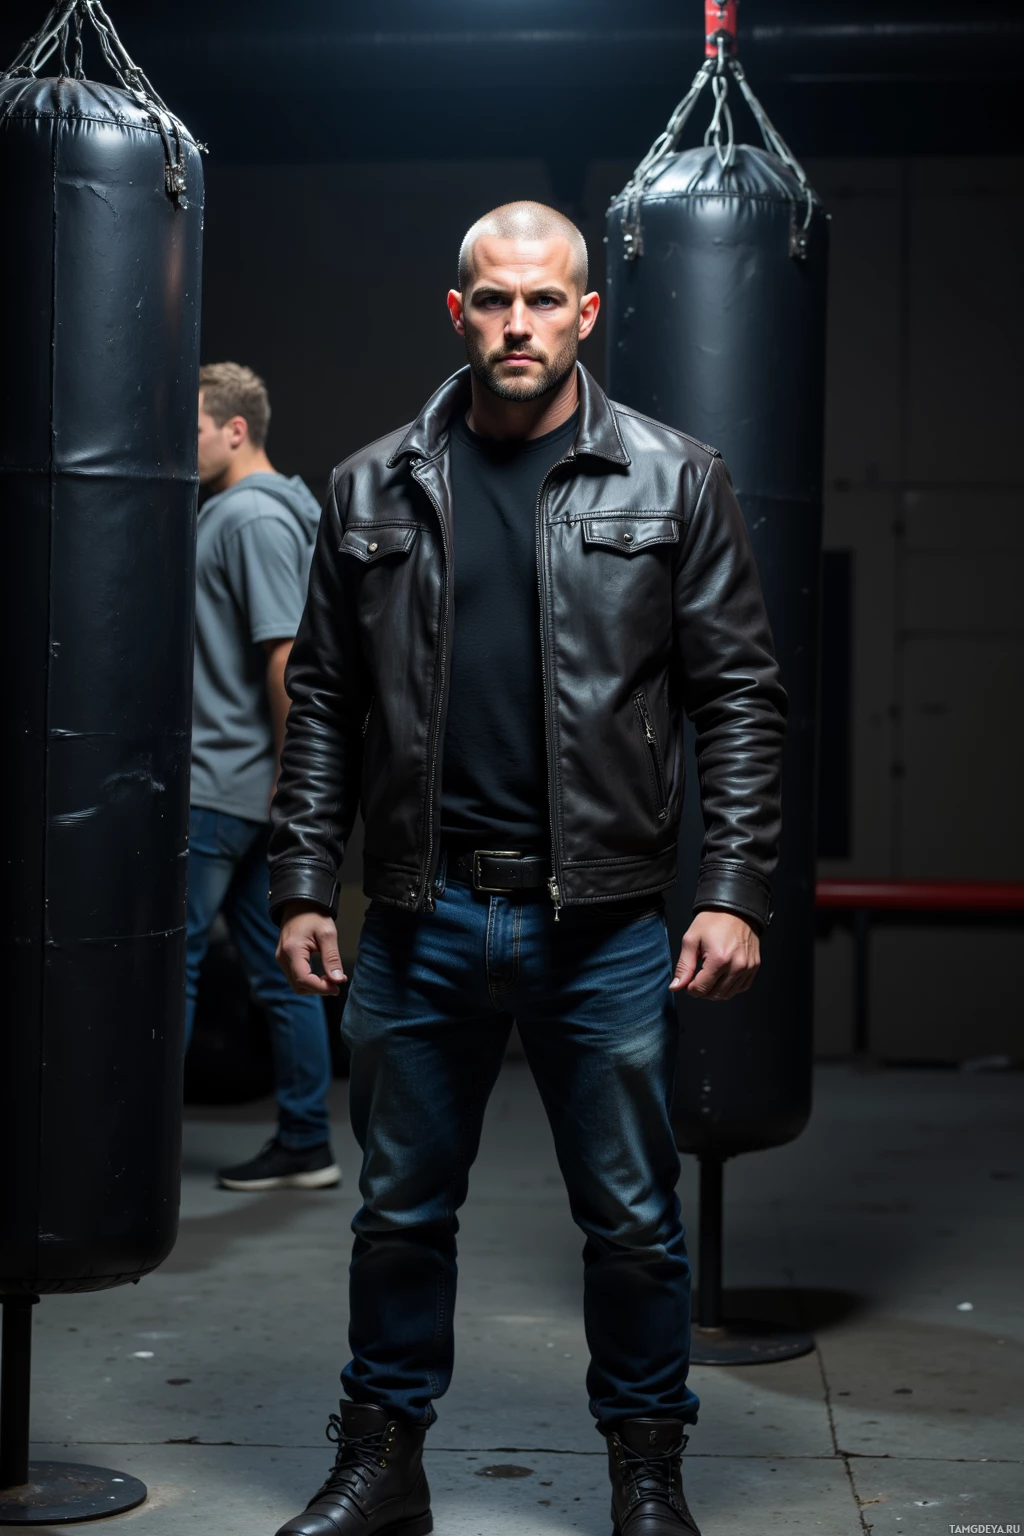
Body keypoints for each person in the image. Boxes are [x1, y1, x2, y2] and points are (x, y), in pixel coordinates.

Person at [268, 204, 786, 1536]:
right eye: (493, 302)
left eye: (544, 302)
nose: (517, 325)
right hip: (421, 916)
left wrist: (730, 885)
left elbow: (737, 697)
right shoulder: (370, 485)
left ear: (586, 314)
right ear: (458, 313)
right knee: (397, 1215)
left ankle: (646, 1474)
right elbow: (322, 697)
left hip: (600, 925)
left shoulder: (676, 480)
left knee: (629, 1223)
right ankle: (383, 1467)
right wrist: (307, 881)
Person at [189, 362, 338, 1193]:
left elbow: (287, 654)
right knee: (280, 971)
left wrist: (293, 782)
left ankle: (125, 1158)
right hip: (243, 788)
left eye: (196, 426)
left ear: (235, 429)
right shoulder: (258, 512)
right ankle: (306, 1141)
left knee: (161, 968)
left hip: (223, 786)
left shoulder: (250, 517)